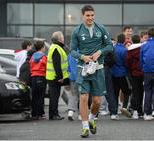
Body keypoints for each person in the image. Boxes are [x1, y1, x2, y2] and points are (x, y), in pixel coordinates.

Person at [70, 5, 113, 138]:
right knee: (83, 98)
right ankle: (84, 128)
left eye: (92, 15)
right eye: (88, 15)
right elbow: (72, 51)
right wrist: (82, 57)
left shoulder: (101, 28)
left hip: (98, 69)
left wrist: (99, 52)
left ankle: (92, 118)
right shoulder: (76, 31)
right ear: (83, 16)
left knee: (97, 101)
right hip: (82, 69)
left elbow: (110, 46)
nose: (90, 18)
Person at [46, 31, 69, 120]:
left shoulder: (54, 47)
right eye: (62, 38)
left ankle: (53, 114)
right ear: (59, 39)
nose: (63, 39)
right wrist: (60, 77)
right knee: (54, 97)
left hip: (52, 76)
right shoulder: (56, 48)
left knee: (54, 97)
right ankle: (54, 114)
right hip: (55, 77)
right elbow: (57, 64)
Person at [110, 33, 131, 118]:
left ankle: (114, 113)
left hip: (113, 73)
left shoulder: (112, 49)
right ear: (124, 40)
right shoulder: (124, 50)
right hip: (122, 74)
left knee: (115, 93)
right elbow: (126, 63)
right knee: (126, 92)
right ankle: (124, 107)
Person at [126, 34, 143, 119]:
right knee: (142, 92)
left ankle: (135, 111)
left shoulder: (129, 50)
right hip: (143, 73)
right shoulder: (143, 49)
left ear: (132, 40)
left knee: (135, 92)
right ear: (140, 39)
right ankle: (141, 111)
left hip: (133, 74)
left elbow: (128, 62)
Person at [29, 41, 47, 120]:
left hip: (33, 77)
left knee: (34, 96)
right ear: (42, 47)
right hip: (41, 77)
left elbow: (30, 65)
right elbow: (47, 66)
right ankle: (40, 114)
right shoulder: (44, 57)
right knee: (40, 96)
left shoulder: (32, 56)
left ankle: (34, 114)